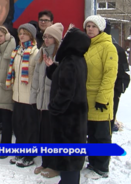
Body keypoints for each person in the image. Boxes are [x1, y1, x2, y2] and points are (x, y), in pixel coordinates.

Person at [46, 27, 90, 184]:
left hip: (68, 120)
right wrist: (52, 67)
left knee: (68, 157)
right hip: (74, 118)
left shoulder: (70, 62)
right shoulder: (76, 60)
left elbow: (66, 91)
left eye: (66, 39)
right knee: (71, 155)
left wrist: (54, 108)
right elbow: (63, 79)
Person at [83, 15, 118, 179]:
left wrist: (102, 98)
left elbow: (109, 75)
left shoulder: (107, 47)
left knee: (102, 134)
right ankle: (93, 162)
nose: (90, 29)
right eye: (88, 26)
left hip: (100, 98)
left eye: (93, 26)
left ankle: (102, 166)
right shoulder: (87, 46)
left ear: (100, 29)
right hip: (86, 98)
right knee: (91, 133)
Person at [31, 23, 63, 178]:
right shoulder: (41, 52)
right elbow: (36, 76)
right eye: (45, 36)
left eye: (50, 37)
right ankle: (45, 161)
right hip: (42, 101)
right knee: (44, 134)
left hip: (54, 102)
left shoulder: (61, 54)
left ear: (56, 39)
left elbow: (61, 79)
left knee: (53, 135)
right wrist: (34, 97)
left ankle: (54, 165)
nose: (47, 39)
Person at [7, 23, 40, 167]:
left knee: (30, 127)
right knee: (18, 126)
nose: (21, 36)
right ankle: (20, 151)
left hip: (30, 98)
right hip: (18, 96)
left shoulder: (35, 52)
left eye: (25, 33)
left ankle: (29, 155)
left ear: (31, 36)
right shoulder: (17, 51)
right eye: (20, 33)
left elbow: (37, 76)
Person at [103, 22, 130, 132]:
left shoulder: (117, 49)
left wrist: (120, 87)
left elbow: (123, 71)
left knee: (110, 111)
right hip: (109, 86)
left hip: (114, 86)